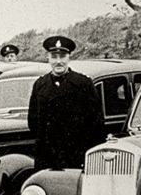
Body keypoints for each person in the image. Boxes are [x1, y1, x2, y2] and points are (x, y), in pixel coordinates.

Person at [27, 35, 105, 170]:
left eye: (62, 56)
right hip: (48, 157)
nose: (58, 61)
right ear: (48, 58)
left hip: (75, 156)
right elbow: (33, 122)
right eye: (54, 56)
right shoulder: (40, 85)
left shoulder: (83, 84)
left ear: (69, 57)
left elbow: (96, 123)